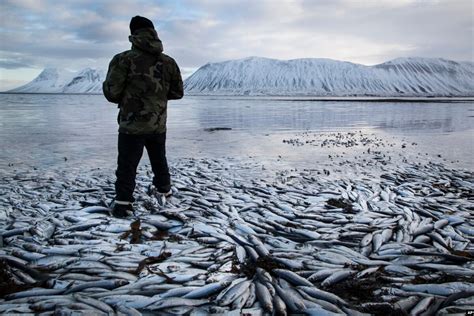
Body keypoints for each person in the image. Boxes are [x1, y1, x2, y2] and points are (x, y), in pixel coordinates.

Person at [103, 15, 183, 218]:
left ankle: (123, 203)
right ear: (153, 32)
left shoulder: (123, 59)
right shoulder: (169, 62)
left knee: (127, 164)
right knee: (159, 159)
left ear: (133, 34)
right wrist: (156, 98)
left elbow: (112, 93)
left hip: (132, 124)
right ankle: (164, 190)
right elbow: (177, 93)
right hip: (158, 123)